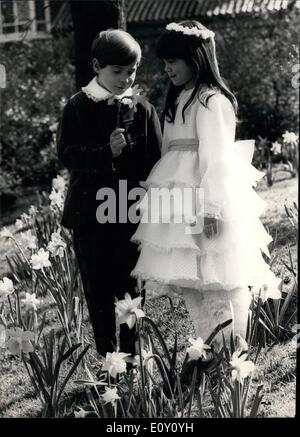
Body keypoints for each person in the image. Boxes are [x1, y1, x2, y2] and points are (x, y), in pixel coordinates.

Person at [130, 21, 281, 342]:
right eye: (165, 62)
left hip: (206, 200)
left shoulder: (211, 101)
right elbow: (168, 148)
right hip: (179, 202)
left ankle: (232, 344)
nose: (167, 68)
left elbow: (217, 159)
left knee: (218, 276)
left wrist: (213, 207)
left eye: (174, 61)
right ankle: (208, 346)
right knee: (190, 282)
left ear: (195, 58)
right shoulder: (178, 99)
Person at [56, 29, 162, 359]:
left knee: (131, 290)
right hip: (90, 216)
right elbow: (67, 153)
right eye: (117, 71)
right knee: (99, 293)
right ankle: (108, 361)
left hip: (128, 211)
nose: (125, 78)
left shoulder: (142, 108)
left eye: (131, 71)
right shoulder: (77, 106)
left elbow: (155, 159)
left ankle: (130, 360)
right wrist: (106, 152)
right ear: (96, 66)